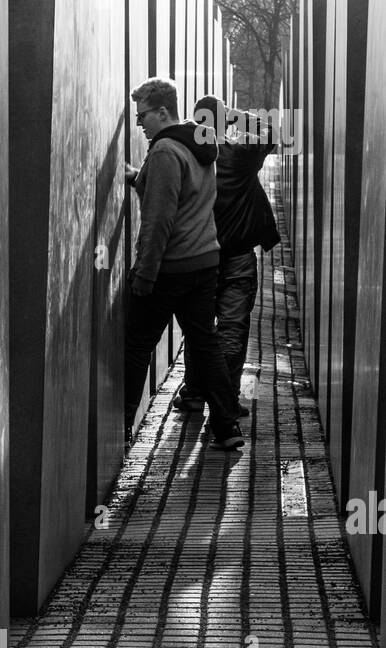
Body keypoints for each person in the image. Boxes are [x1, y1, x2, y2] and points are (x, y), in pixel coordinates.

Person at [124, 78, 243, 452]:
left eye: (143, 115)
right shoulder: (200, 145)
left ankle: (120, 431)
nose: (140, 123)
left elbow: (159, 219)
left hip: (170, 268)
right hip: (205, 262)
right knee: (205, 344)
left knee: (138, 345)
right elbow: (183, 193)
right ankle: (226, 427)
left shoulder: (163, 151)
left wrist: (145, 274)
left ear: (162, 112)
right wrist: (139, 180)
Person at [173, 95, 281, 415]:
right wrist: (234, 117)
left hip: (199, 256)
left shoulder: (187, 159)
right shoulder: (239, 155)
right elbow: (271, 133)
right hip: (237, 258)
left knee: (200, 330)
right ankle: (225, 403)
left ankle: (194, 393)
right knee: (232, 331)